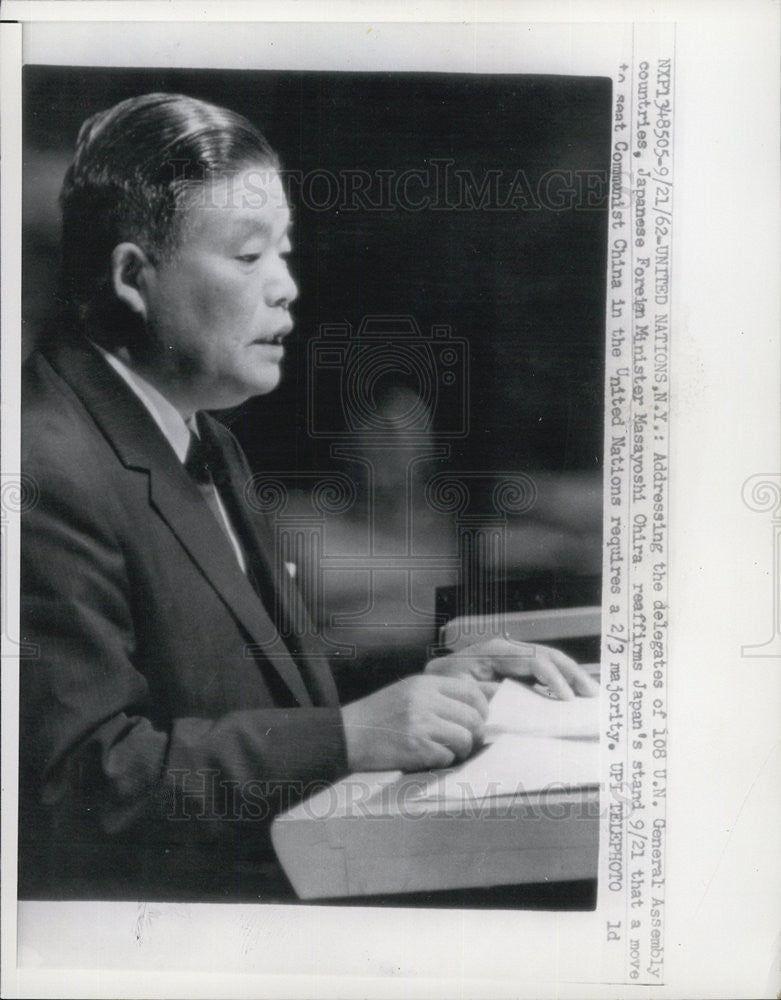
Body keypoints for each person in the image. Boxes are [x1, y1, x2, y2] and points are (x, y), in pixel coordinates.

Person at [19, 92, 598, 901]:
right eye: (248, 256)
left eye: (283, 251)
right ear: (131, 276)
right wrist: (349, 734)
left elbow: (248, 688)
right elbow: (79, 782)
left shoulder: (192, 427)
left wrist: (435, 677)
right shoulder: (42, 467)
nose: (287, 286)